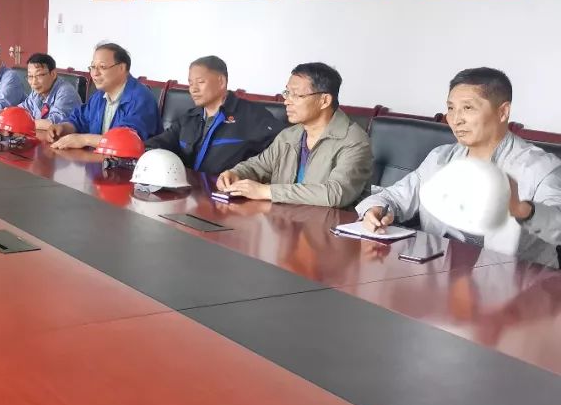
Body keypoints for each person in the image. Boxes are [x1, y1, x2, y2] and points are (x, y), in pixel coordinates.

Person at [359, 68, 561, 267]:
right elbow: (394, 197)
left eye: (468, 108)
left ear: (502, 112)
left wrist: (523, 210)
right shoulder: (440, 158)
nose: (456, 119)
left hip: (517, 281)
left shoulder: (539, 167)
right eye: (451, 108)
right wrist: (375, 209)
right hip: (437, 271)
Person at [216, 62, 372, 207]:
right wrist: (235, 173)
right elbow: (258, 166)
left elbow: (336, 193)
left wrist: (266, 191)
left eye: (296, 95)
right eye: (287, 93)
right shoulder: (289, 135)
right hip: (284, 219)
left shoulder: (354, 141)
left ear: (324, 101)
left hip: (328, 225)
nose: (287, 101)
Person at [145, 56, 281, 174]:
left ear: (221, 82)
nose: (193, 89)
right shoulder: (189, 118)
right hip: (187, 190)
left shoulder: (251, 115)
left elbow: (283, 148)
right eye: (190, 83)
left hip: (225, 193)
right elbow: (159, 143)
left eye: (200, 82)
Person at [49, 43, 160, 149]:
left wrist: (84, 140)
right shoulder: (99, 96)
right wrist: (63, 128)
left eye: (102, 67)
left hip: (131, 162)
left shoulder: (141, 99)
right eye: (93, 67)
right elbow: (79, 120)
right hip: (99, 159)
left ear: (121, 68)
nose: (95, 73)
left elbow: (127, 141)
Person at [20, 52, 82, 129]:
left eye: (39, 75)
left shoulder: (66, 92)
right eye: (30, 76)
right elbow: (21, 110)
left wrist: (24, 122)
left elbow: (54, 123)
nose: (34, 82)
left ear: (53, 74)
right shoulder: (37, 91)